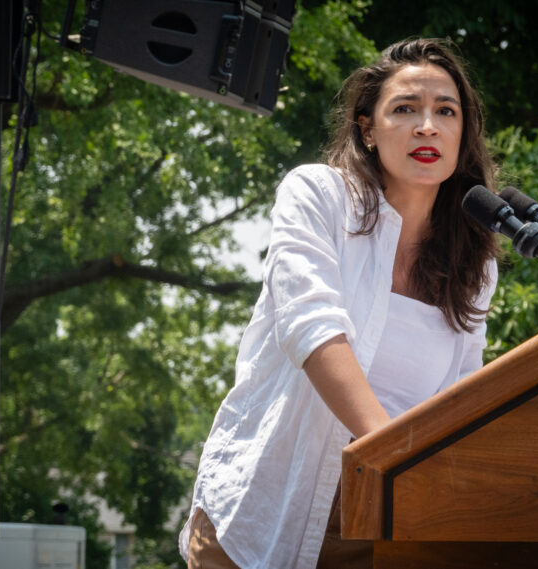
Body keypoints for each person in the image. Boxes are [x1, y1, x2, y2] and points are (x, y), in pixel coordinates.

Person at [179, 37, 500, 569]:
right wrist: (393, 452)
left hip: (386, 519)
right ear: (366, 128)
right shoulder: (319, 195)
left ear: (463, 134)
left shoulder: (476, 262)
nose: (428, 126)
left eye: (446, 111)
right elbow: (312, 327)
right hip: (267, 509)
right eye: (405, 109)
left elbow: (463, 390)